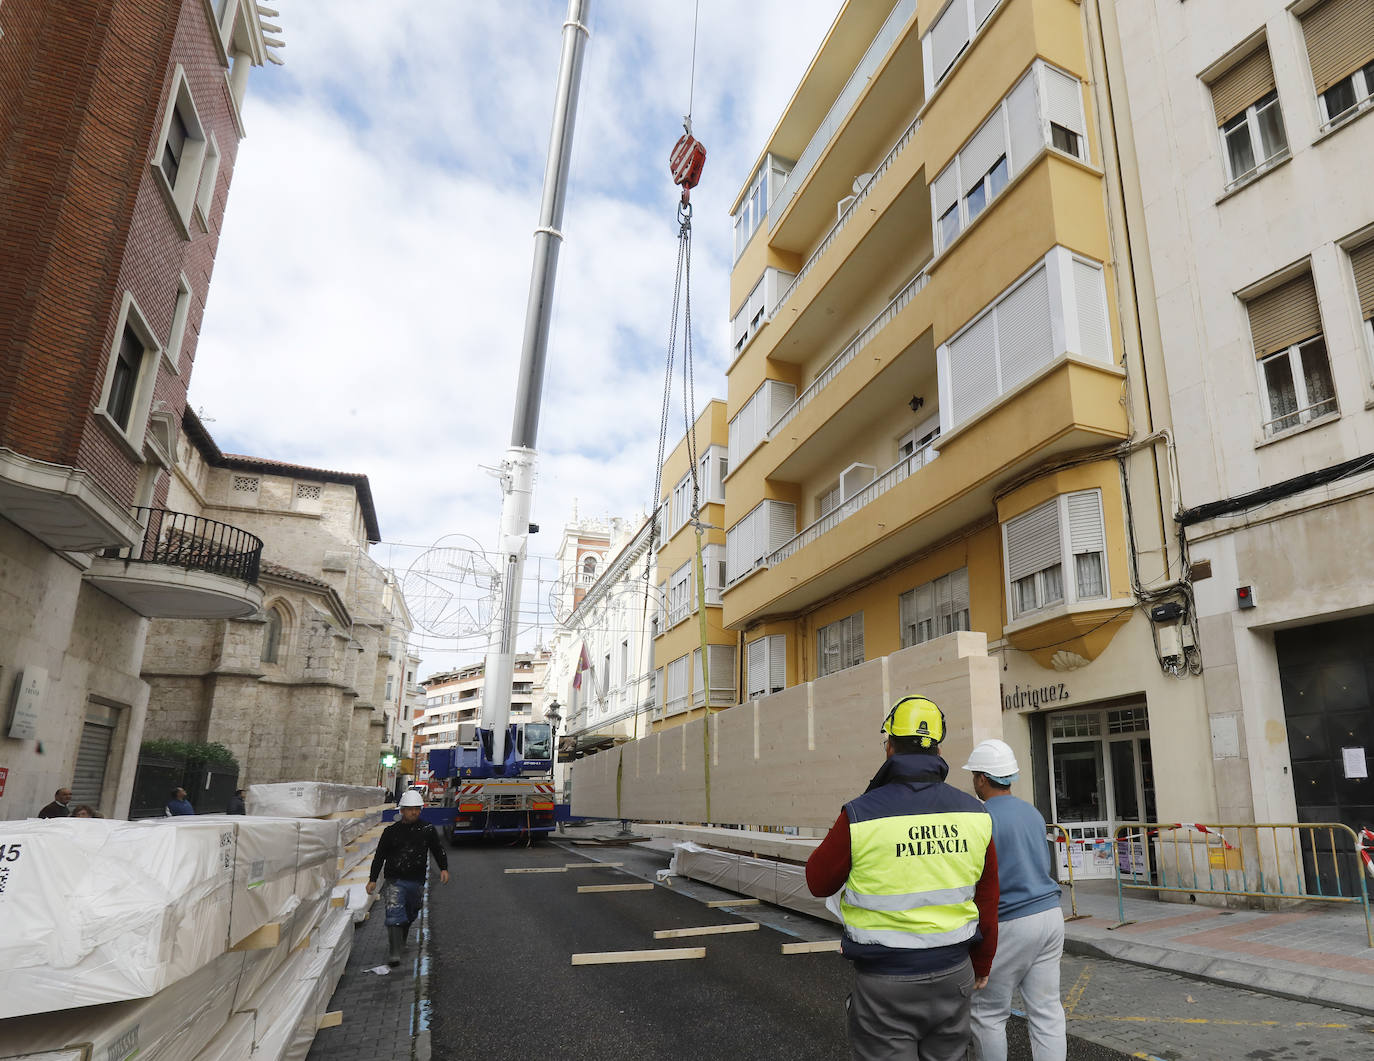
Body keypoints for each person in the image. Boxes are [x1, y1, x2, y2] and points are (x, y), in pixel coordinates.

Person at [806, 695, 999, 1061]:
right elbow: (988, 899)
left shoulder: (861, 814)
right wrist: (983, 963)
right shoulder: (976, 813)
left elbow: (818, 882)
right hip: (953, 973)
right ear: (938, 748)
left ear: (890, 747)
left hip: (885, 984)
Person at [962, 740, 1066, 1061]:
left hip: (1009, 920)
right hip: (1050, 916)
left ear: (982, 778)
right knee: (1047, 1011)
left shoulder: (980, 817)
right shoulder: (1032, 813)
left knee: (988, 1014)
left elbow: (974, 879)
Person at [366, 789, 449, 966]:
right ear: (402, 810)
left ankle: (401, 936)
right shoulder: (390, 832)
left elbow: (437, 849)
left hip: (416, 880)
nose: (414, 812)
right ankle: (395, 952)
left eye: (417, 809)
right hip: (395, 879)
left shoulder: (427, 830)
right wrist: (373, 879)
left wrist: (443, 868)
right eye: (410, 809)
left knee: (412, 911)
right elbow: (379, 856)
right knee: (394, 911)